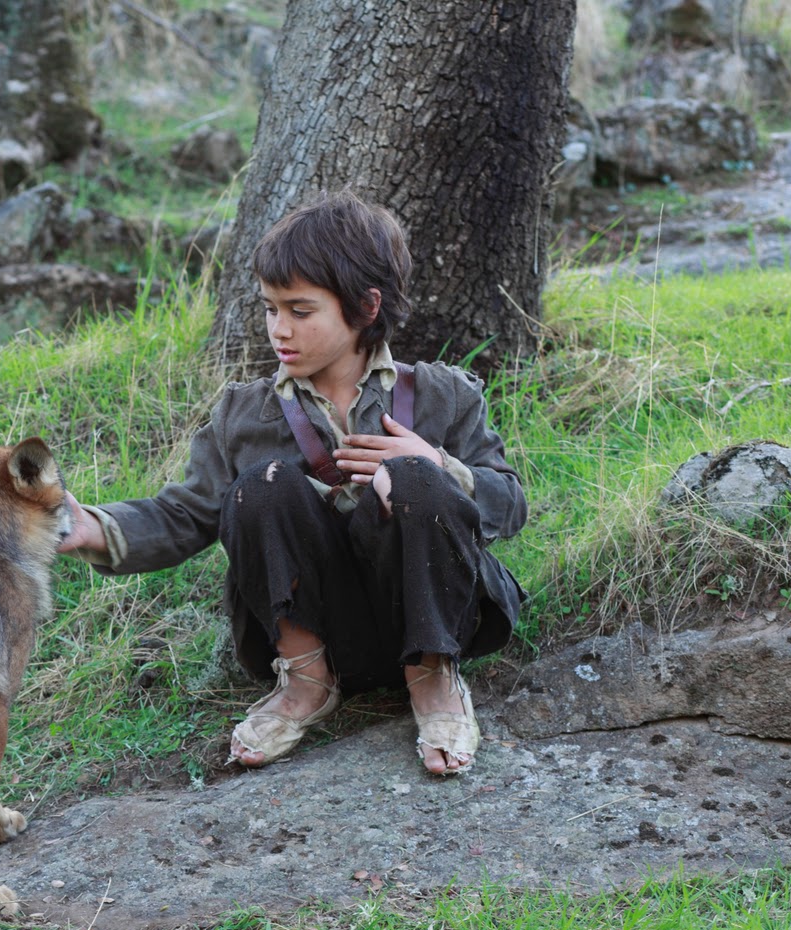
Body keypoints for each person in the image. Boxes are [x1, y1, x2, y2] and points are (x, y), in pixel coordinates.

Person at [57, 190, 527, 775]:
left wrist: (434, 463)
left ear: (364, 306)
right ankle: (306, 683)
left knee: (417, 476)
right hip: (323, 628)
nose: (279, 329)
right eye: (270, 308)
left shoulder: (442, 395)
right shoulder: (244, 414)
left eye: (300, 311)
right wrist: (93, 527)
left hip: (429, 619)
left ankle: (432, 680)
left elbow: (509, 504)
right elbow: (187, 513)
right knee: (263, 483)